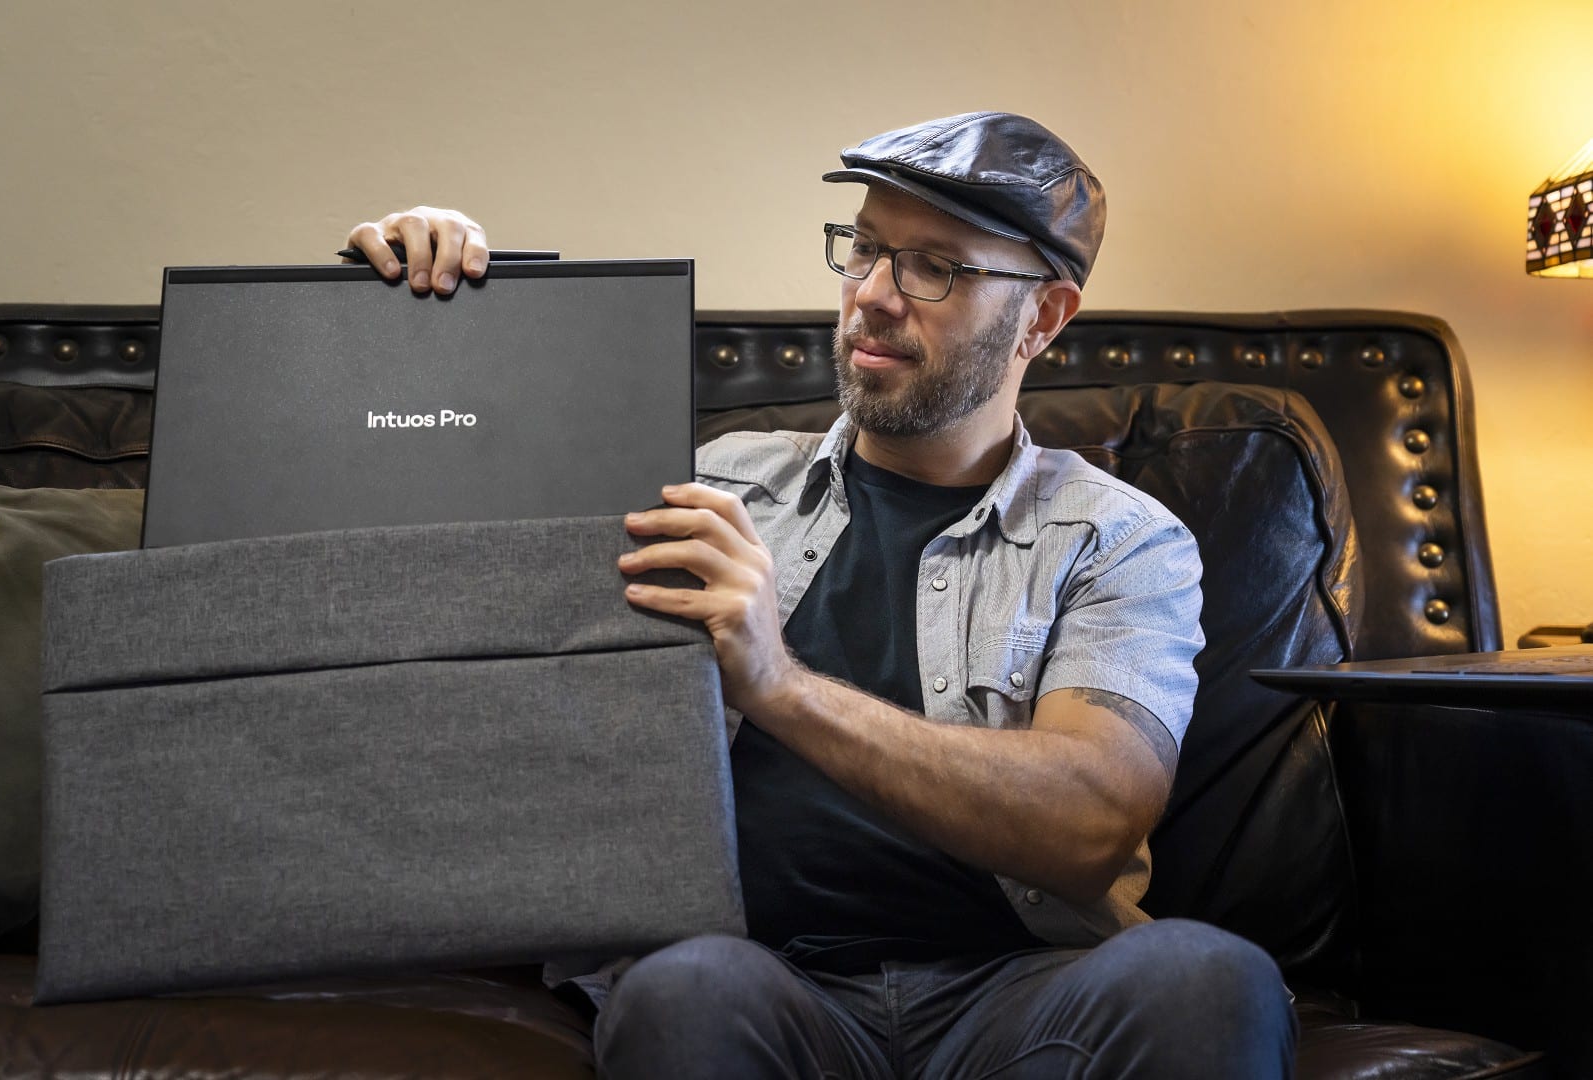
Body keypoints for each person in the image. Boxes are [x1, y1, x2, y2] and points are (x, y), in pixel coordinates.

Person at [345, 111, 1296, 1078]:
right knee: (682, 990)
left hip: (1021, 992)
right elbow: (471, 571)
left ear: (1042, 319)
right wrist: (433, 311)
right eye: (866, 250)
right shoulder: (716, 485)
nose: (875, 298)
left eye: (934, 268)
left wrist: (778, 684)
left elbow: (1090, 822)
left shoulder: (1119, 540)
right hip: (762, 985)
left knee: (1207, 977)